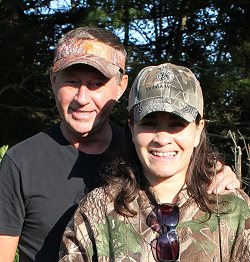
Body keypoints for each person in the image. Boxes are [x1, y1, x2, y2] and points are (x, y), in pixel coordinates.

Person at [0, 26, 239, 262]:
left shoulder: (148, 151)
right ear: (53, 80)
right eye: (71, 81)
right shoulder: (21, 163)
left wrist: (215, 174)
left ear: (121, 85)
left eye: (96, 84)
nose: (82, 98)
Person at [59, 63, 250, 262]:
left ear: (198, 131)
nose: (162, 138)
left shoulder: (232, 208)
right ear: (132, 129)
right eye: (149, 124)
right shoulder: (98, 210)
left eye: (177, 125)